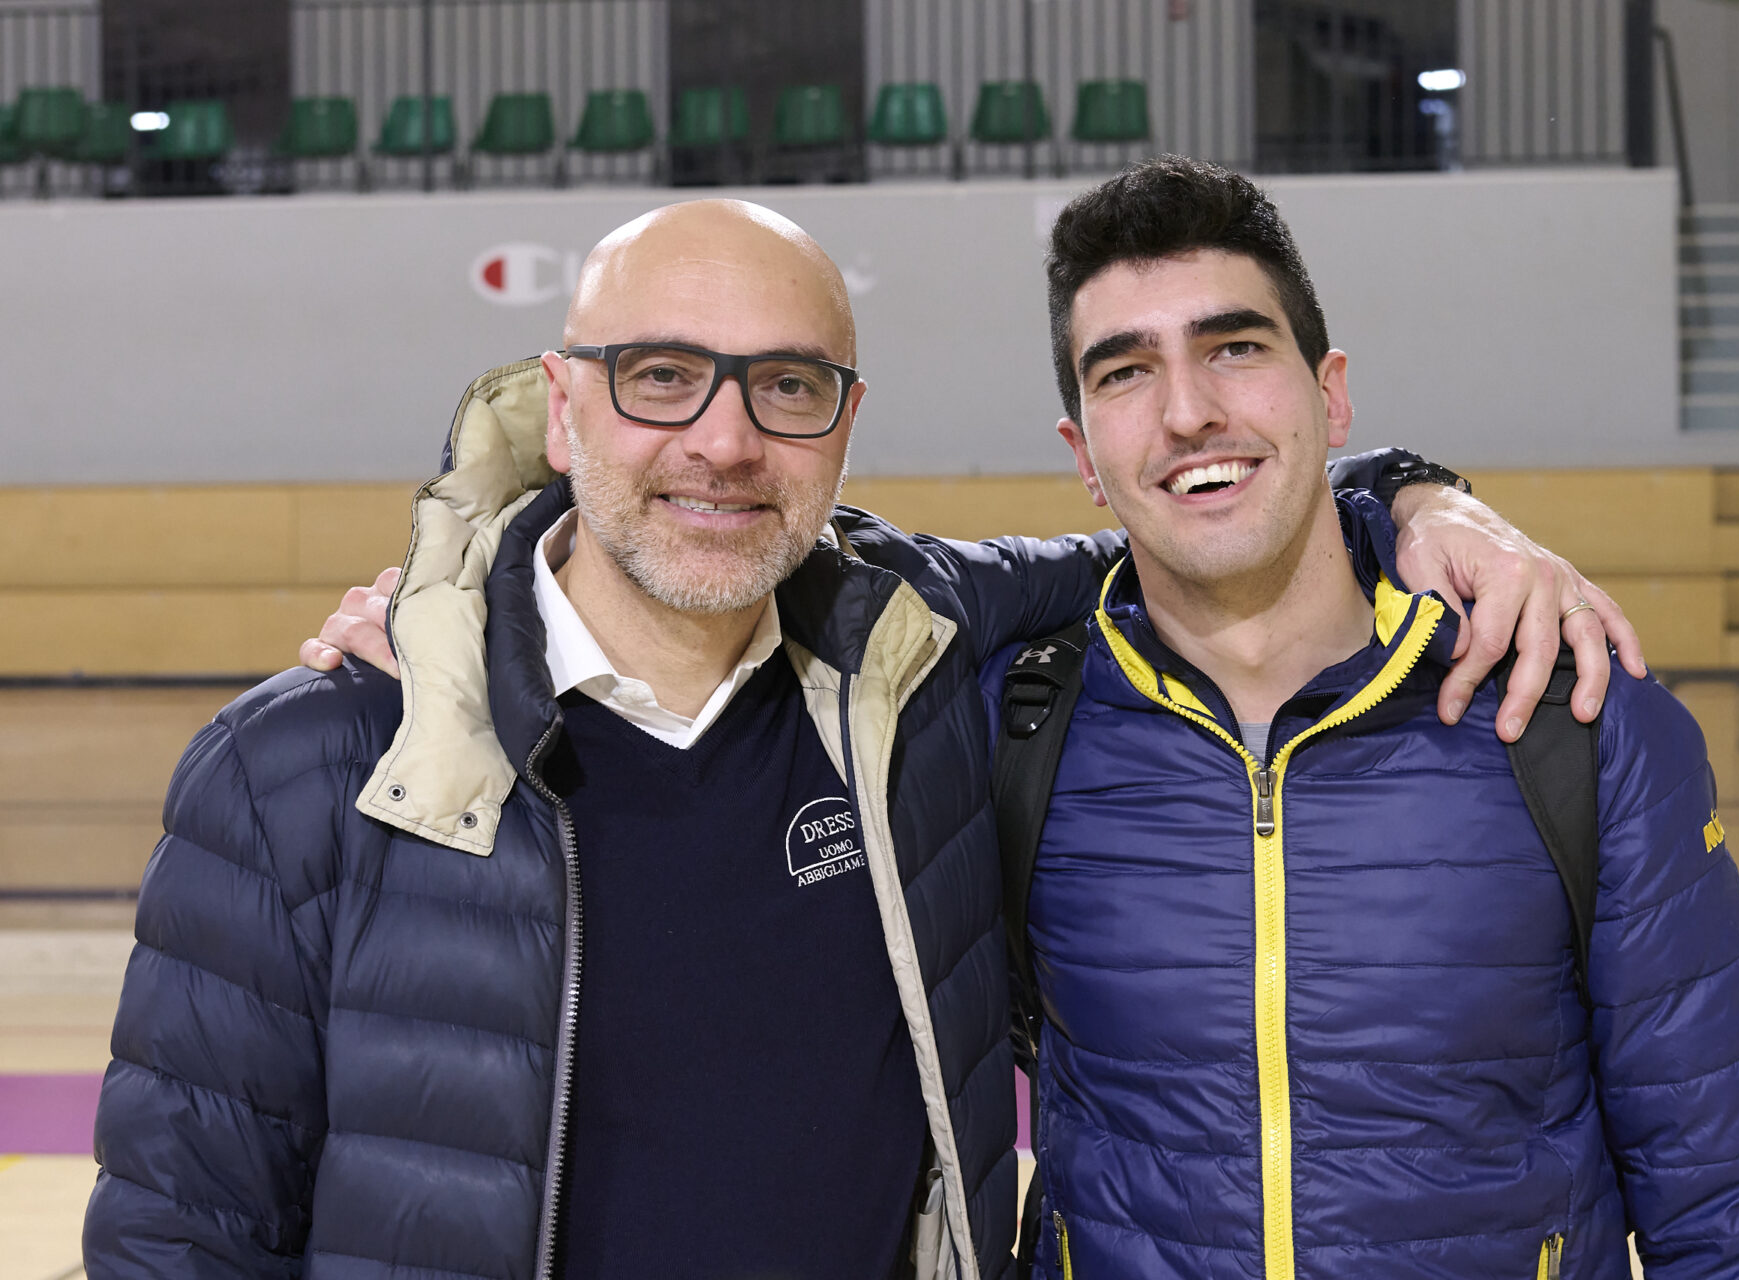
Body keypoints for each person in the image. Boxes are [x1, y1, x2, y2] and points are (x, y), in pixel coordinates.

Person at [85, 197, 1638, 1280]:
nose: (724, 440)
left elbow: (1201, 506)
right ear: (561, 408)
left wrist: (1416, 498)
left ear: (845, 422)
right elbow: (178, 1241)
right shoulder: (310, 773)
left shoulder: (919, 663)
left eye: (788, 387)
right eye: (660, 378)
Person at [979, 157, 1739, 1279]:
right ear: (1082, 454)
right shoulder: (1016, 727)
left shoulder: (1571, 715)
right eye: (1127, 372)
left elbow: (1738, 1209)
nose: (1188, 411)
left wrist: (1422, 491)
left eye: (1235, 348)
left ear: (1331, 394)